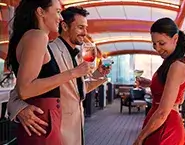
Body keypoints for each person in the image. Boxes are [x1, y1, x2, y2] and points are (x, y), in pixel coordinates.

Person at [7, 6, 110, 145]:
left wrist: (99, 75)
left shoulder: (79, 57)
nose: (85, 33)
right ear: (64, 26)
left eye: (85, 28)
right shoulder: (47, 48)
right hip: (52, 129)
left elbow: (76, 91)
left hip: (76, 129)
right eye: (80, 27)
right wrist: (19, 109)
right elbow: (18, 90)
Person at [133, 17, 185, 145]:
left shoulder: (177, 66)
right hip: (159, 124)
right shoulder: (170, 63)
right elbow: (178, 94)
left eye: (161, 43)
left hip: (165, 127)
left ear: (175, 39)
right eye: (154, 44)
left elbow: (162, 112)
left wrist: (140, 138)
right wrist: (151, 83)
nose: (157, 48)